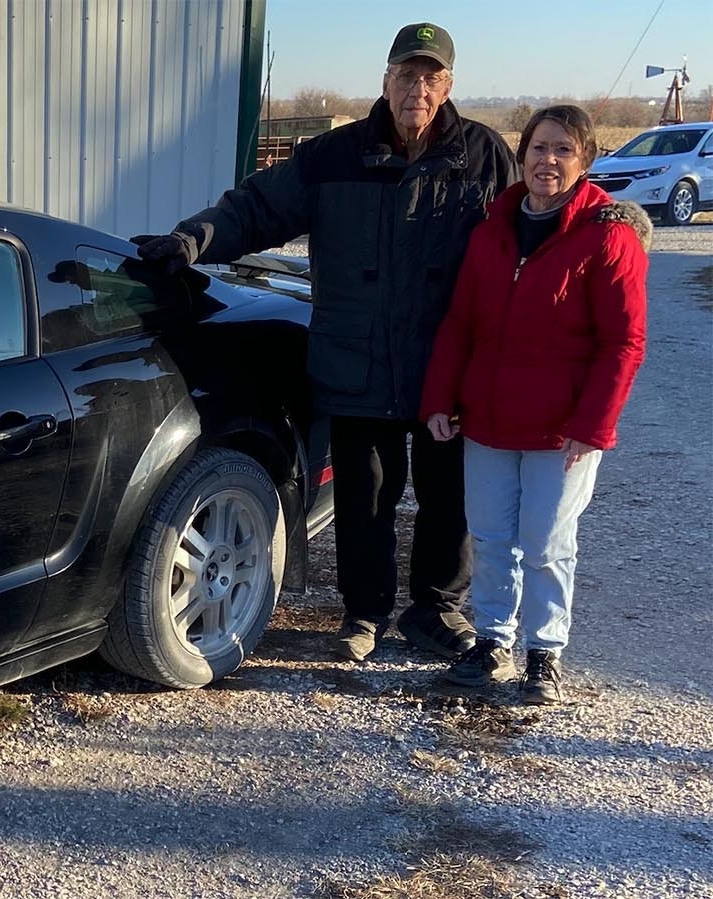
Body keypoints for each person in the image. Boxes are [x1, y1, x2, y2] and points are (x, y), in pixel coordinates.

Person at [133, 23, 518, 661]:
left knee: (449, 498)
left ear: (447, 86)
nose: (415, 88)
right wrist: (190, 240)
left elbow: (536, 219)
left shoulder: (482, 156)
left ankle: (435, 612)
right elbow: (254, 208)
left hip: (445, 364)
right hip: (357, 359)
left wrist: (607, 222)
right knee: (365, 498)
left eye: (430, 77)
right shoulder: (333, 155)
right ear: (385, 79)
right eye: (405, 74)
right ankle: (364, 614)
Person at [420, 105, 649, 704]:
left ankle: (544, 652)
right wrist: (440, 397)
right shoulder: (492, 228)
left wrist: (593, 424)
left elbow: (624, 341)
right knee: (492, 536)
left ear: (586, 160)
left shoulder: (607, 235)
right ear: (522, 156)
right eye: (539, 148)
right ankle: (493, 639)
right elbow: (460, 323)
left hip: (563, 429)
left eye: (563, 150)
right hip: (489, 421)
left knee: (547, 541)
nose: (548, 160)